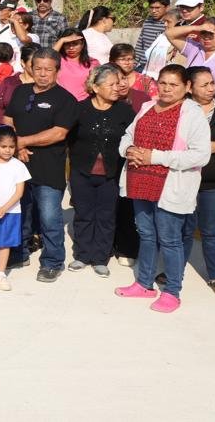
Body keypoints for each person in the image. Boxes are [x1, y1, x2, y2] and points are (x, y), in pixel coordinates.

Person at [115, 65, 210, 313]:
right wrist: (129, 150)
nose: (166, 89)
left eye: (173, 84)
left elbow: (201, 155)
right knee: (146, 235)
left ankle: (172, 292)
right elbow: (127, 135)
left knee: (170, 240)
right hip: (140, 181)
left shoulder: (192, 114)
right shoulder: (148, 106)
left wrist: (154, 157)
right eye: (163, 83)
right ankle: (144, 284)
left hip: (171, 186)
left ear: (187, 87)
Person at [4, 48, 78, 282]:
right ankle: (20, 253)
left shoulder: (66, 100)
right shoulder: (21, 91)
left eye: (48, 69)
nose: (43, 74)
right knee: (20, 213)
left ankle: (52, 261)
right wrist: (17, 146)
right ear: (30, 68)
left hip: (49, 169)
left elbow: (58, 133)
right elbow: (8, 119)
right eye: (38, 69)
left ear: (57, 70)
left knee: (49, 218)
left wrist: (23, 141)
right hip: (18, 167)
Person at [66, 65, 134, 279]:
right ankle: (82, 255)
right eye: (111, 84)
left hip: (111, 174)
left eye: (118, 84)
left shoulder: (125, 111)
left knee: (106, 216)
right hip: (81, 172)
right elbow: (65, 135)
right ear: (95, 87)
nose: (117, 88)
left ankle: (100, 258)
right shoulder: (79, 109)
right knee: (83, 214)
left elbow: (133, 138)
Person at [181, 67, 215, 296]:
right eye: (204, 85)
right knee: (184, 230)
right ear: (189, 87)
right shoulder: (181, 108)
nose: (211, 88)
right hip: (185, 178)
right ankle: (175, 271)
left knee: (211, 232)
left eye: (212, 83)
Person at [0, 126, 28, 291]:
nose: (8, 150)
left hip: (10, 211)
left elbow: (19, 192)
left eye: (11, 147)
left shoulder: (18, 166)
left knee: (5, 243)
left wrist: (4, 208)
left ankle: (1, 273)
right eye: (3, 146)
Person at [165, 16, 215, 82]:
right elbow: (169, 34)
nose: (206, 37)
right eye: (203, 33)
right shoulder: (194, 48)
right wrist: (198, 28)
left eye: (211, 34)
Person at [52, 28, 97, 100]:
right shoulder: (58, 59)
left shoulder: (93, 62)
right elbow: (48, 57)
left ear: (82, 44)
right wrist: (61, 40)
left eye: (75, 44)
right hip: (60, 101)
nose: (71, 47)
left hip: (83, 103)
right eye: (67, 44)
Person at [134, 0, 171, 67]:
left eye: (157, 8)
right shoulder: (147, 22)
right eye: (151, 7)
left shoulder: (170, 24)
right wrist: (134, 63)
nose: (154, 11)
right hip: (143, 65)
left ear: (167, 8)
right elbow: (140, 44)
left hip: (160, 66)